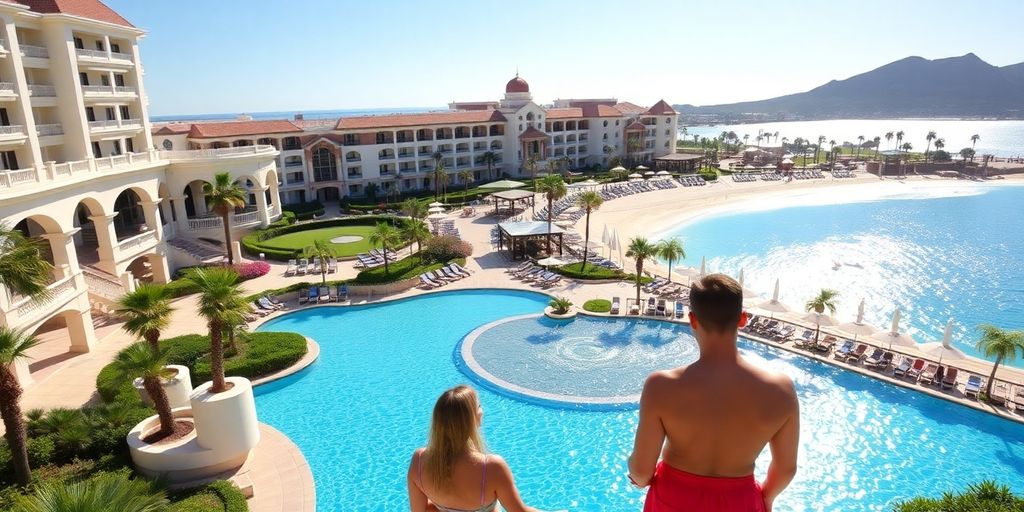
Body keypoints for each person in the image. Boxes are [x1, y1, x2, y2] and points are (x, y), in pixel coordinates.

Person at [628, 274, 800, 511]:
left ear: (692, 320)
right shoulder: (781, 390)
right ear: (742, 319)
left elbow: (641, 471)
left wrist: (637, 476)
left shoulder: (661, 386)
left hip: (672, 500)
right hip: (740, 503)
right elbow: (786, 469)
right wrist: (766, 498)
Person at [408, 385, 539, 512]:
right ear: (470, 419)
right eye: (479, 406)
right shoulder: (491, 468)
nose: (482, 410)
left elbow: (419, 510)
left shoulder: (419, 461)